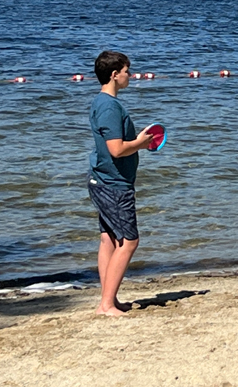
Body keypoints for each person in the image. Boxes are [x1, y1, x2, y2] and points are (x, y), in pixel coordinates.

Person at [87, 50, 154, 316]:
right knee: (129, 241)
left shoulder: (102, 102)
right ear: (115, 75)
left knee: (109, 239)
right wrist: (141, 142)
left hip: (103, 179)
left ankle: (108, 299)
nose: (131, 75)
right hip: (113, 183)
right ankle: (106, 304)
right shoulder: (108, 106)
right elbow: (116, 149)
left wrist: (139, 144)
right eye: (127, 71)